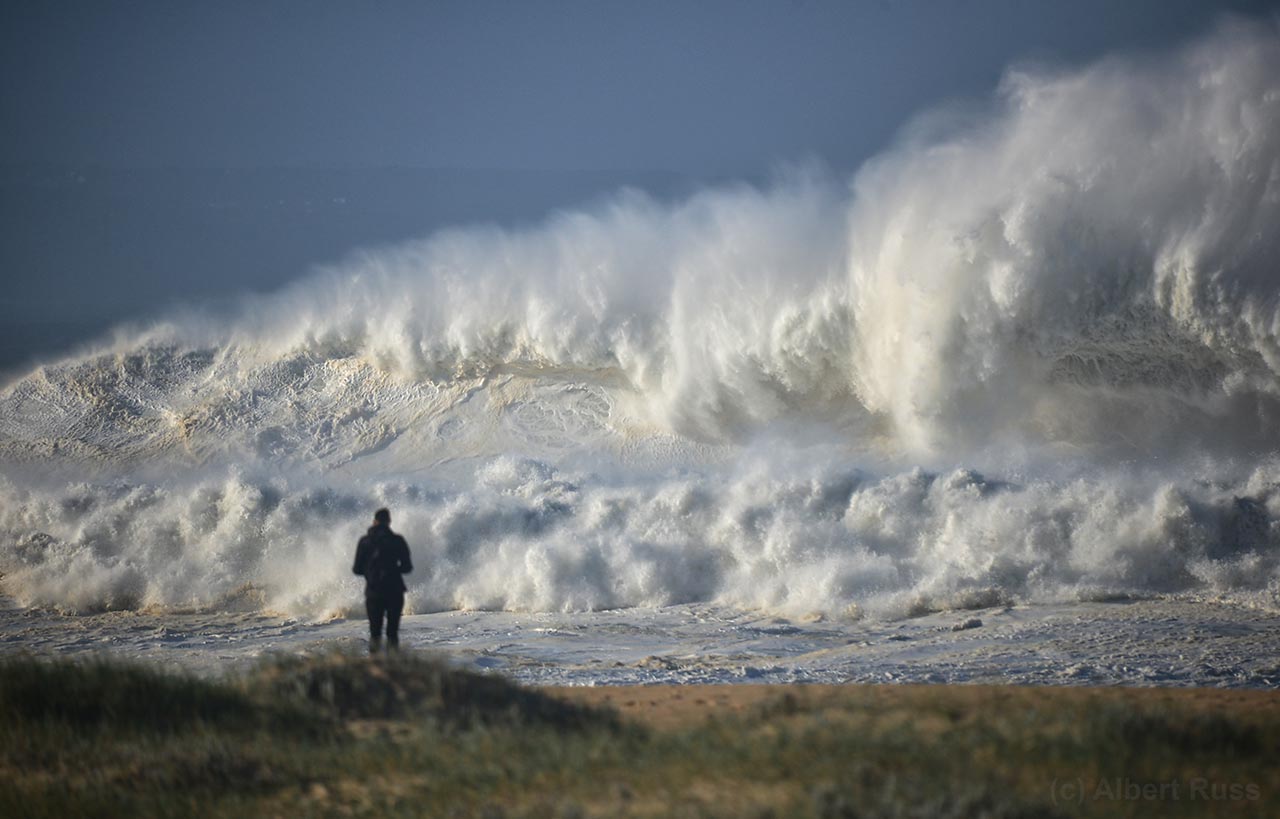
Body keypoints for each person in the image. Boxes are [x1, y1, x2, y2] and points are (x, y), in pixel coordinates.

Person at [352, 507, 413, 654]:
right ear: (389, 522)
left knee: (375, 634)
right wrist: (392, 571)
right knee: (392, 634)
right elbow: (407, 567)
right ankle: (393, 671)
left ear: (374, 522)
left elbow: (357, 569)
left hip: (373, 593)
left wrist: (371, 573)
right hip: (395, 591)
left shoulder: (365, 542)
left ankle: (375, 671)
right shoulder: (397, 540)